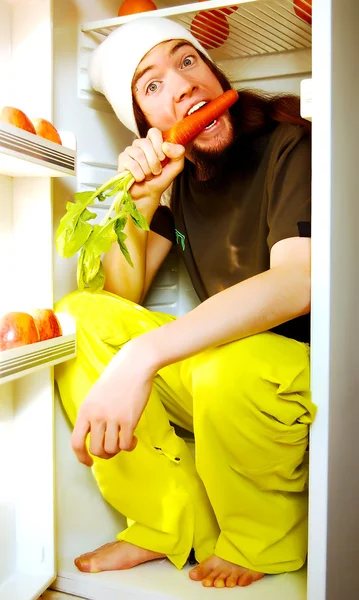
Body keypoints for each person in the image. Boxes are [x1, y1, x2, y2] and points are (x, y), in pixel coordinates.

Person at [55, 16, 316, 589]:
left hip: (295, 380)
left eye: (188, 60)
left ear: (213, 69)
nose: (182, 86)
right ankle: (166, 518)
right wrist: (143, 200)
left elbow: (299, 282)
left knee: (230, 366)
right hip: (219, 380)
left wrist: (143, 356)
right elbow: (119, 299)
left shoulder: (288, 145)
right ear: (144, 122)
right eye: (152, 86)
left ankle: (263, 534)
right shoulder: (178, 177)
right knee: (79, 316)